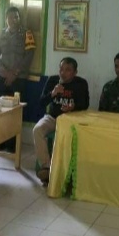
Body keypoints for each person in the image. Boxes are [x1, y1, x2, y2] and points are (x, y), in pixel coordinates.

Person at [34, 57, 89, 185]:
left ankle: (66, 171)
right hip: (53, 117)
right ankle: (46, 167)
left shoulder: (81, 83)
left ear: (75, 72)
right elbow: (41, 102)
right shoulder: (53, 80)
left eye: (68, 70)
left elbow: (85, 104)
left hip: (71, 119)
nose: (63, 73)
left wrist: (73, 107)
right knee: (37, 130)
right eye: (61, 69)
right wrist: (53, 93)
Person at [0, 7, 36, 151]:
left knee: (15, 112)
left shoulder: (27, 34)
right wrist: (4, 73)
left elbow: (29, 56)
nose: (14, 20)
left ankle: (12, 145)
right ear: (6, 19)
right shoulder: (0, 35)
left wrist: (14, 74)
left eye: (16, 17)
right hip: (2, 78)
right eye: (11, 17)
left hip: (19, 79)